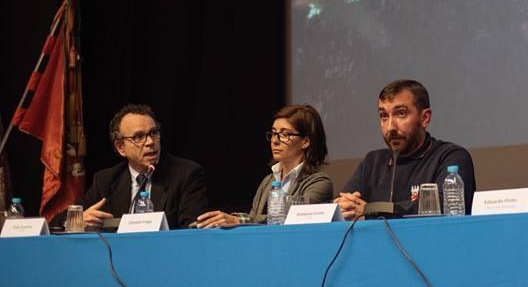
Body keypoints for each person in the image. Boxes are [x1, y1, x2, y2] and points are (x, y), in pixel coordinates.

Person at [334, 80, 476, 220]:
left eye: (401, 114)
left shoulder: (450, 157)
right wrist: (345, 208)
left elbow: (443, 206)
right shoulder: (372, 162)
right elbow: (343, 206)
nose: (390, 127)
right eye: (384, 116)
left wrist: (370, 211)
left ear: (425, 118)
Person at [72, 104, 208, 230]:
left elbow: (193, 229)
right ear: (120, 147)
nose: (150, 142)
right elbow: (62, 219)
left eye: (154, 133)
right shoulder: (105, 181)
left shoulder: (185, 175)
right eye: (139, 137)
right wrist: (78, 221)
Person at [196, 104, 333, 227]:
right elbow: (254, 222)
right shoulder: (268, 181)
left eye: (284, 134)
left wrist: (238, 220)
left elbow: (294, 217)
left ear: (305, 141)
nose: (275, 141)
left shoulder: (319, 183)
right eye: (273, 133)